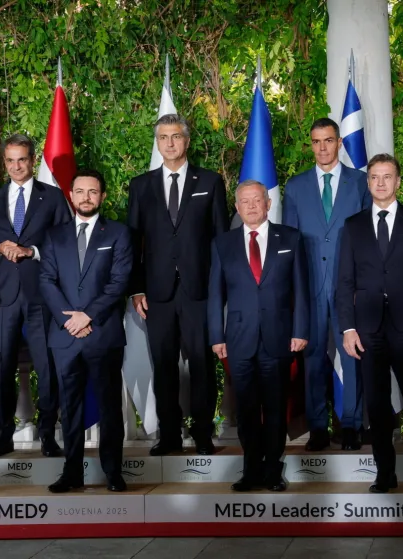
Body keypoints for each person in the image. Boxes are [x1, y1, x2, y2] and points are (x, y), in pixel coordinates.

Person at [336, 153, 403, 495]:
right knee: (377, 405)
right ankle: (385, 474)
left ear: (398, 182)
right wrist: (348, 328)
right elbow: (344, 283)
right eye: (374, 177)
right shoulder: (353, 226)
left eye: (387, 177)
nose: (380, 183)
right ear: (368, 184)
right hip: (368, 330)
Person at [127, 113, 230, 456]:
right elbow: (133, 242)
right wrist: (137, 288)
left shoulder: (211, 182)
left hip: (199, 291)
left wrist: (218, 289)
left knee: (202, 364)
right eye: (163, 137)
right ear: (157, 143)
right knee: (164, 364)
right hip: (157, 294)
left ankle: (203, 433)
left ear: (186, 141)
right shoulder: (140, 185)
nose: (169, 143)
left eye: (175, 137)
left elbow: (220, 240)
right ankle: (169, 434)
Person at [0, 134, 72, 458]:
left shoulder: (54, 198)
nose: (17, 166)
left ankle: (47, 435)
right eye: (11, 160)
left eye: (23, 159)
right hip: (3, 297)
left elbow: (67, 240)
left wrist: (34, 250)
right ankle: (3, 435)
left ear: (33, 161)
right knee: (1, 367)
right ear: (5, 162)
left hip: (43, 295)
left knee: (47, 368)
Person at [209, 180, 309, 492]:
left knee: (276, 407)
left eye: (257, 200)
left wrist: (301, 330)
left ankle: (273, 471)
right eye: (245, 202)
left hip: (278, 338)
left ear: (268, 204)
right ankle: (251, 469)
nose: (252, 206)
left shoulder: (290, 238)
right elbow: (215, 294)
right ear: (237, 208)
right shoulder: (222, 244)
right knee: (247, 409)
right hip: (238, 340)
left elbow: (302, 291)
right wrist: (216, 336)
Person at [40, 169, 132, 493]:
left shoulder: (118, 233)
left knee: (109, 406)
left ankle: (113, 473)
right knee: (70, 407)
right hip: (65, 336)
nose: (86, 198)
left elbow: (119, 282)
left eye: (93, 192)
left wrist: (87, 316)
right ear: (71, 195)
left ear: (102, 196)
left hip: (103, 333)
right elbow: (46, 281)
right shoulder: (53, 235)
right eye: (80, 192)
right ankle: (71, 473)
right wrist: (70, 320)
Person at [282, 117, 371, 451]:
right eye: (316, 141)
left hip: (350, 288)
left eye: (328, 140)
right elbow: (289, 243)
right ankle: (318, 427)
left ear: (339, 142)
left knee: (352, 357)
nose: (322, 147)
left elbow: (368, 238)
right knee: (313, 359)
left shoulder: (361, 183)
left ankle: (351, 425)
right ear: (311, 145)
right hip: (309, 288)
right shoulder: (295, 186)